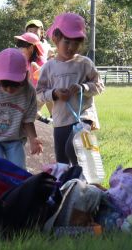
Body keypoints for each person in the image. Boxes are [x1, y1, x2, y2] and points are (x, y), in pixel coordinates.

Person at [36, 13, 104, 164]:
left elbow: (99, 86)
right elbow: (39, 94)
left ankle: (85, 180)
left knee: (73, 147)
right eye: (67, 42)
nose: (71, 47)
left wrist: (83, 87)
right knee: (62, 161)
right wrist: (54, 93)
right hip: (60, 120)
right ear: (55, 38)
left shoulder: (84, 63)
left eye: (76, 43)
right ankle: (72, 185)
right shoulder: (48, 67)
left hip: (83, 117)